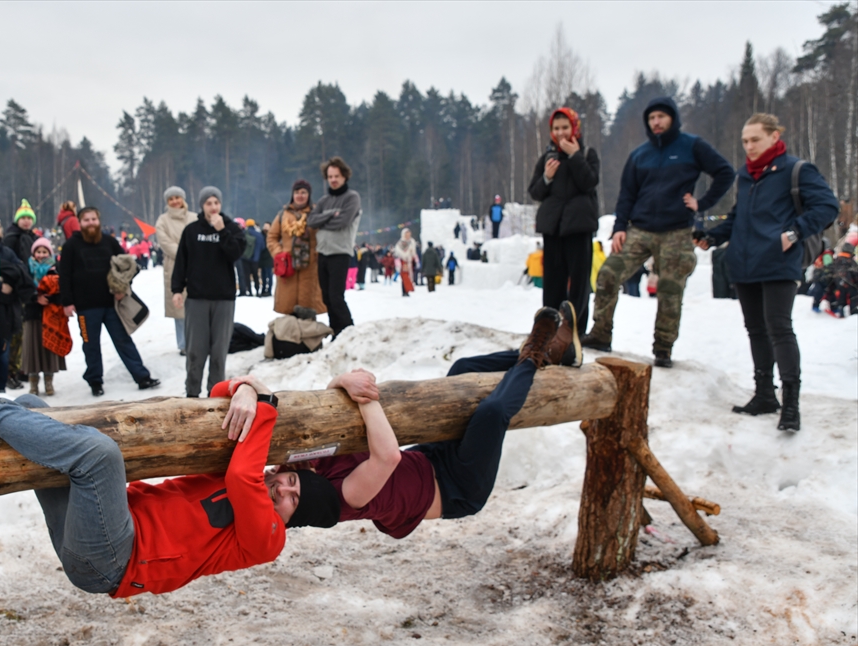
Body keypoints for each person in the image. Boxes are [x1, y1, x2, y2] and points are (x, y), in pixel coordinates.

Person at [0, 344, 338, 599]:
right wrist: (246, 386)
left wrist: (267, 405)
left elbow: (242, 479)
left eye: (293, 496)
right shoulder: (250, 474)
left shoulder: (268, 537)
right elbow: (218, 407)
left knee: (99, 457)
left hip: (113, 561)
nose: (282, 487)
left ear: (293, 519)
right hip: (100, 527)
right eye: (290, 478)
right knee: (31, 408)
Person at [284, 303, 578, 539]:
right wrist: (365, 394)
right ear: (296, 517)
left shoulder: (300, 470)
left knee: (463, 369)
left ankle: (546, 354)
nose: (285, 488)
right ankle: (535, 352)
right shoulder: (341, 500)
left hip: (429, 456)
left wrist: (341, 380)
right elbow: (387, 457)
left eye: (274, 487)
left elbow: (326, 415)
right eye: (286, 500)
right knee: (492, 413)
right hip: (458, 488)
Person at [699, 113, 838, 432]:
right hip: (745, 265)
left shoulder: (796, 170)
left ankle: (791, 403)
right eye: (745, 141)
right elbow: (739, 218)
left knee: (779, 328)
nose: (748, 146)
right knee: (755, 330)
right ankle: (764, 394)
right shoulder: (745, 176)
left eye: (755, 139)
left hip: (778, 262)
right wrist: (712, 236)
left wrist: (794, 233)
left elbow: (827, 206)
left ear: (774, 137)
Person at [583, 96, 734, 367]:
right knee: (607, 274)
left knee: (669, 289)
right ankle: (600, 334)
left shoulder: (692, 146)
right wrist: (619, 228)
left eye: (661, 117)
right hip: (639, 229)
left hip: (676, 231)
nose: (656, 122)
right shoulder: (639, 154)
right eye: (651, 118)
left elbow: (725, 172)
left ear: (672, 118)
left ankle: (663, 348)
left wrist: (702, 203)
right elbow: (626, 195)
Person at [59, 206, 160, 397]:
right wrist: (67, 301)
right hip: (85, 308)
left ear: (99, 221)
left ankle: (142, 377)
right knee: (91, 345)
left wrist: (123, 287)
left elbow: (128, 265)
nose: (90, 223)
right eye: (86, 220)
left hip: (112, 305)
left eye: (93, 219)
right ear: (80, 223)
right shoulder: (71, 245)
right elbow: (64, 275)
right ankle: (95, 381)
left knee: (123, 341)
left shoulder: (109, 241)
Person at [528, 107, 600, 336]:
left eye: (565, 127)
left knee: (579, 283)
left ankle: (575, 332)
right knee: (552, 283)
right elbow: (535, 193)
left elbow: (589, 182)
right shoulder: (546, 158)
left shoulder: (588, 154)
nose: (560, 133)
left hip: (579, 227)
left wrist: (575, 156)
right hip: (553, 228)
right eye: (556, 128)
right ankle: (548, 330)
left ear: (574, 128)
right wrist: (547, 178)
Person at [171, 186, 245, 398]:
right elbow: (181, 263)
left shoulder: (231, 227)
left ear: (220, 205)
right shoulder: (192, 231)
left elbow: (236, 254)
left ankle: (216, 394)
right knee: (195, 351)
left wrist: (222, 231)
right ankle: (192, 394)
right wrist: (177, 289)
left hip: (223, 299)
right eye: (208, 203)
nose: (213, 207)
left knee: (219, 352)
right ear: (202, 206)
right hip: (197, 298)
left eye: (216, 203)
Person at [307, 157, 361, 336]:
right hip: (323, 252)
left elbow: (343, 221)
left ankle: (348, 330)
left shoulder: (352, 198)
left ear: (344, 176)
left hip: (340, 252)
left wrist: (323, 221)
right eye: (330, 176)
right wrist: (330, 214)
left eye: (337, 176)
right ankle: (336, 330)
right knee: (326, 297)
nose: (333, 180)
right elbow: (311, 221)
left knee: (337, 296)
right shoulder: (324, 200)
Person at [0, 217, 33, 394]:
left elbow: (22, 275)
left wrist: (6, 277)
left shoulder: (7, 252)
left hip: (6, 314)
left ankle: (1, 389)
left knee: (4, 356)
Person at [268, 179, 327, 316]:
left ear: (309, 195)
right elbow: (272, 237)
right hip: (288, 267)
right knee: (288, 309)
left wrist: (318, 254)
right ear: (292, 195)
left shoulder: (316, 214)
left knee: (309, 308)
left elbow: (325, 237)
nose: (300, 195)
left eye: (303, 192)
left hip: (311, 267)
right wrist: (279, 254)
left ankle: (309, 336)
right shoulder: (282, 215)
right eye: (297, 192)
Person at [22, 238, 67, 395]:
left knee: (49, 347)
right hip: (32, 314)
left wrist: (50, 298)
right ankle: (33, 383)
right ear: (33, 253)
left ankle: (49, 381)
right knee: (32, 348)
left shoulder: (56, 269)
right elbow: (22, 289)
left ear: (50, 253)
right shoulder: (27, 269)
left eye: (44, 252)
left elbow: (63, 289)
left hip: (51, 313)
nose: (41, 255)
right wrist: (35, 298)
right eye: (38, 252)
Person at [155, 187, 195, 353]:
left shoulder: (193, 217)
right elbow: (164, 242)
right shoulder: (162, 220)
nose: (174, 201)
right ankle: (184, 344)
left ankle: (197, 340)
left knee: (196, 305)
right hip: (174, 265)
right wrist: (183, 253)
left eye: (177, 197)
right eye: (171, 199)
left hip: (195, 264)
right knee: (179, 307)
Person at [2, 199, 39, 267]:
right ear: (17, 220)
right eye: (23, 218)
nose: (26, 221)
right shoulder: (10, 237)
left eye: (29, 218)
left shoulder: (35, 238)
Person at [393, 229, 418, 297]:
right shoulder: (400, 243)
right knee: (404, 276)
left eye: (409, 233)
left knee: (409, 276)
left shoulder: (412, 242)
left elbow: (413, 252)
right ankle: (405, 291)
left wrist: (415, 259)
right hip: (403, 261)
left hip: (410, 261)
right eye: (406, 234)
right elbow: (397, 252)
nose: (408, 235)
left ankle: (407, 290)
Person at [258, 223, 274, 296]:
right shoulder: (261, 235)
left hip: (269, 258)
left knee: (269, 275)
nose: (265, 228)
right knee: (263, 275)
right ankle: (263, 289)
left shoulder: (272, 236)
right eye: (264, 226)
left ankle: (269, 290)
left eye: (267, 226)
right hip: (262, 258)